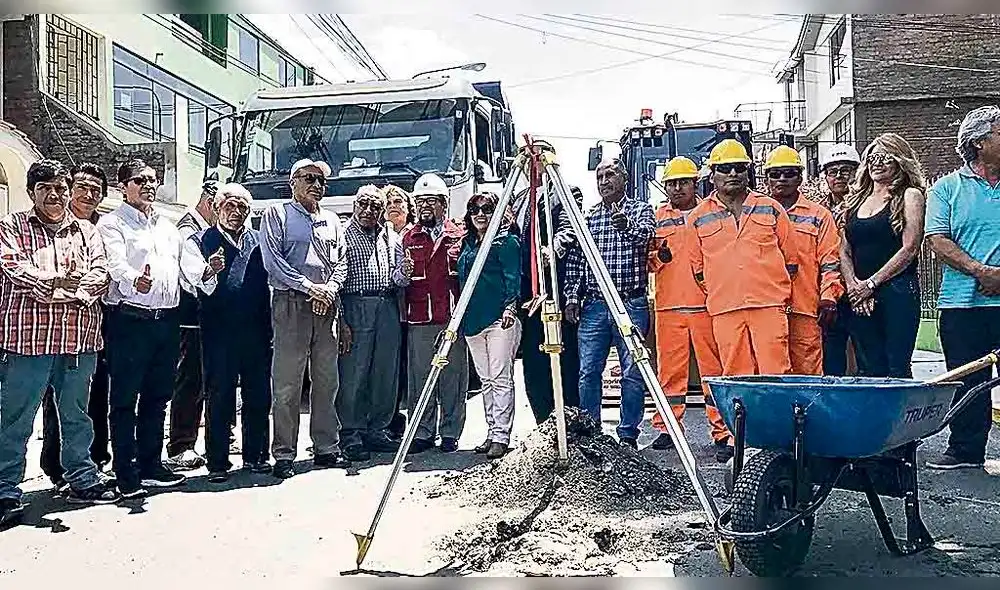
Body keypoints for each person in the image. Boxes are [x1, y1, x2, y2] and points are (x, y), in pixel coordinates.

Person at [0, 159, 120, 525]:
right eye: (45, 189)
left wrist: (76, 292)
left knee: (76, 414)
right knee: (14, 419)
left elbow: (100, 271)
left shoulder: (87, 231)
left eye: (61, 189)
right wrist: (56, 284)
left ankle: (81, 477)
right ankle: (5, 489)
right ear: (31, 192)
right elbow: (14, 267)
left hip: (78, 339)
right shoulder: (11, 227)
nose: (55, 196)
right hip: (26, 341)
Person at [98, 159, 187, 497]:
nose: (149, 185)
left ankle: (151, 464)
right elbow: (115, 263)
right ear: (123, 185)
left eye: (153, 180)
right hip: (130, 320)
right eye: (140, 180)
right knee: (124, 400)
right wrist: (136, 280)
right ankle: (125, 471)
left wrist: (205, 274)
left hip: (166, 321)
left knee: (158, 396)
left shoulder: (167, 225)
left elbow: (181, 269)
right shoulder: (112, 223)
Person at [260, 159, 350, 478]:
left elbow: (341, 262)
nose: (316, 185)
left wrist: (329, 289)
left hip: (326, 305)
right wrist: (310, 287)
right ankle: (284, 453)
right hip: (292, 304)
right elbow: (273, 261)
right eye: (309, 178)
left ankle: (326, 447)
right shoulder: (277, 214)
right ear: (293, 181)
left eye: (321, 181)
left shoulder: (332, 219)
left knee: (327, 380)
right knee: (287, 383)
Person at [924, 106, 1000, 470]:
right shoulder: (946, 188)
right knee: (968, 377)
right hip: (962, 303)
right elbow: (937, 239)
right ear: (979, 142)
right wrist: (981, 271)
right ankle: (966, 450)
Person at [184, 184, 273, 482]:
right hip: (218, 331)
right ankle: (218, 462)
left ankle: (257, 456)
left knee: (258, 394)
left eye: (242, 208)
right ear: (217, 208)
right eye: (230, 206)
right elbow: (193, 278)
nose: (236, 213)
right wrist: (211, 270)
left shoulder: (259, 240)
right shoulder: (199, 240)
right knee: (219, 393)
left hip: (257, 329)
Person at [564, 159, 655, 449]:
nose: (604, 181)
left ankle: (628, 433)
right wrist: (572, 297)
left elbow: (646, 240)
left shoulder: (640, 210)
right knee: (589, 371)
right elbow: (578, 262)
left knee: (632, 371)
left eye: (611, 174)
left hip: (630, 303)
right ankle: (593, 432)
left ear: (624, 178)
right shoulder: (588, 218)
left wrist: (626, 227)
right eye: (600, 176)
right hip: (595, 306)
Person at [648, 157, 732, 461]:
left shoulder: (709, 215)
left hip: (705, 305)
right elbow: (648, 261)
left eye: (683, 182)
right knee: (669, 373)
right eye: (672, 183)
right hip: (669, 306)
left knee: (714, 372)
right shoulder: (657, 218)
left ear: (695, 183)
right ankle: (668, 428)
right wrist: (660, 256)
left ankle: (723, 431)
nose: (677, 188)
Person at [690, 139, 795, 380]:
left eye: (739, 167)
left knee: (777, 373)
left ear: (748, 172)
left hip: (768, 307)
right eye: (725, 169)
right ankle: (741, 420)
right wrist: (727, 290)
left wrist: (771, 291)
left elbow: (791, 260)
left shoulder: (771, 208)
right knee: (735, 376)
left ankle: (775, 419)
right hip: (726, 310)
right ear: (712, 175)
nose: (733, 173)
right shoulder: (698, 218)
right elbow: (698, 270)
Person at [39, 162, 113, 491]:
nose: (88, 194)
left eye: (95, 190)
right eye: (82, 186)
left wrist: (81, 286)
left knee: (94, 398)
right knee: (56, 403)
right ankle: (57, 469)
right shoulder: (49, 227)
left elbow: (103, 272)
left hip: (97, 326)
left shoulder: (103, 229)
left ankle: (94, 462)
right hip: (50, 331)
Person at [841, 133, 926, 378]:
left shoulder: (910, 195)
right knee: (868, 367)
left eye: (886, 158)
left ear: (900, 161)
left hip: (897, 291)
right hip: (858, 293)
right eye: (873, 157)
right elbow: (844, 249)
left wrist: (872, 283)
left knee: (896, 366)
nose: (877, 163)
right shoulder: (855, 200)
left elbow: (909, 248)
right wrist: (854, 287)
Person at [336, 185, 407, 462]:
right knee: (354, 372)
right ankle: (351, 432)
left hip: (387, 304)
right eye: (363, 204)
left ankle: (378, 429)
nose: (369, 211)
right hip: (356, 304)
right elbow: (336, 276)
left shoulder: (390, 234)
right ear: (355, 205)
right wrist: (341, 320)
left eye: (375, 206)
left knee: (385, 372)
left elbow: (399, 278)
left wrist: (405, 271)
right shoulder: (342, 233)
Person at [398, 173, 468, 454]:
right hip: (419, 319)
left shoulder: (460, 235)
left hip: (452, 317)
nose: (425, 206)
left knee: (453, 379)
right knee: (420, 378)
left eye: (431, 201)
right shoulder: (407, 238)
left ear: (444, 204)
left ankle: (450, 432)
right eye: (420, 201)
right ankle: (422, 432)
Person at [764, 146, 843, 375]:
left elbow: (830, 261)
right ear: (767, 178)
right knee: (771, 376)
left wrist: (829, 297)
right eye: (776, 174)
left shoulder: (819, 216)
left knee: (807, 376)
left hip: (804, 309)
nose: (782, 179)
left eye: (789, 173)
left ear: (800, 177)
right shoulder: (755, 213)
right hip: (766, 310)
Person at [458, 192, 521, 460]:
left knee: (500, 376)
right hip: (472, 320)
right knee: (485, 379)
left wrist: (510, 306)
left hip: (499, 318)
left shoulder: (507, 242)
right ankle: (492, 431)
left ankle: (502, 436)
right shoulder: (467, 243)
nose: (480, 214)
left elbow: (513, 277)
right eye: (475, 209)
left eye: (486, 209)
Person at [516, 184, 582, 424]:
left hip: (555, 288)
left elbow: (569, 227)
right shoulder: (520, 197)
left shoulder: (565, 192)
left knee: (565, 359)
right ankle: (543, 424)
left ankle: (570, 423)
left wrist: (553, 249)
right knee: (534, 362)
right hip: (528, 293)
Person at [165, 179, 217, 472]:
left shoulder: (205, 228)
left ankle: (206, 434)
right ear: (209, 201)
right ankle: (181, 445)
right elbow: (193, 275)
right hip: (190, 316)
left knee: (207, 378)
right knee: (190, 380)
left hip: (205, 316)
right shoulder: (189, 230)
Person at [815, 144, 861, 376]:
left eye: (846, 170)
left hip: (861, 287)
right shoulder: (817, 210)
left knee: (863, 352)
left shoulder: (867, 206)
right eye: (833, 171)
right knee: (831, 354)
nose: (839, 176)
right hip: (828, 292)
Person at [383, 184, 413, 440]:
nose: (393, 206)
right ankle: (389, 419)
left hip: (414, 313)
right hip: (389, 312)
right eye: (388, 202)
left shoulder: (415, 234)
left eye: (399, 202)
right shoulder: (380, 236)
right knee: (388, 371)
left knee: (409, 370)